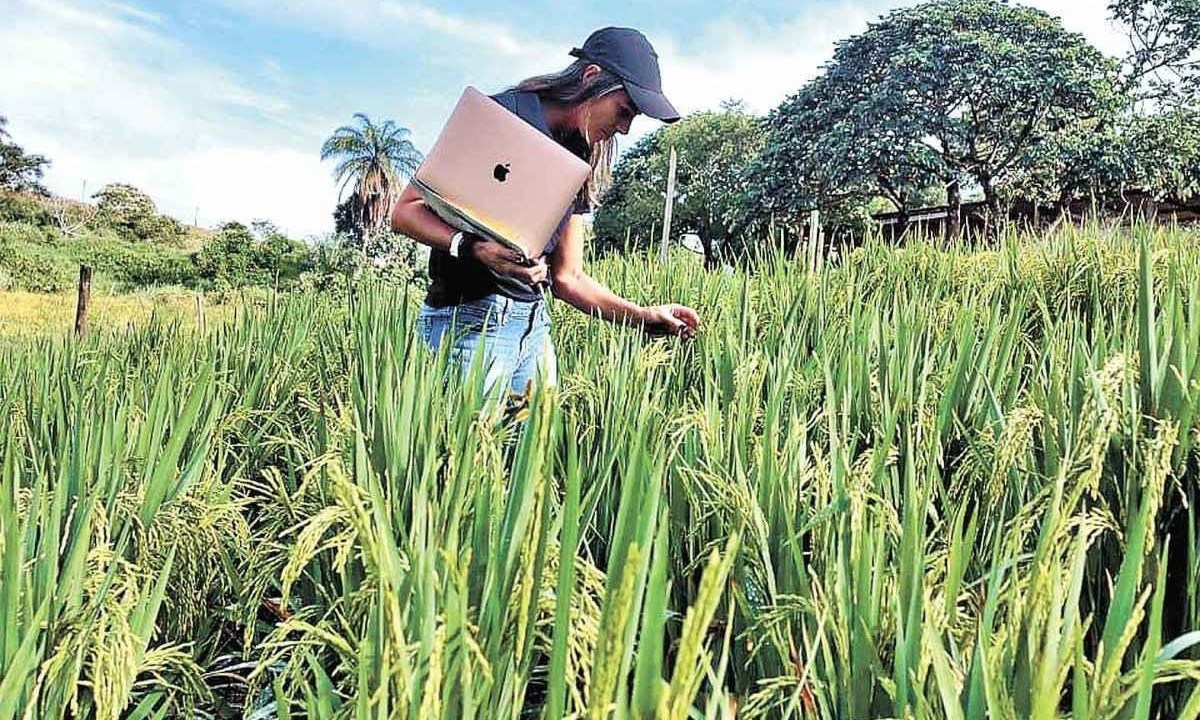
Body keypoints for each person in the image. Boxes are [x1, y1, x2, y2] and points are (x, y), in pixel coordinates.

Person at [390, 26, 700, 397]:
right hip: (470, 326)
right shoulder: (501, 117)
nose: (625, 128)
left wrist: (645, 318)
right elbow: (405, 212)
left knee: (531, 455)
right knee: (471, 454)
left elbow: (568, 278)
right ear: (591, 77)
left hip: (533, 328)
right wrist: (474, 248)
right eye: (624, 111)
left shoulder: (579, 156)